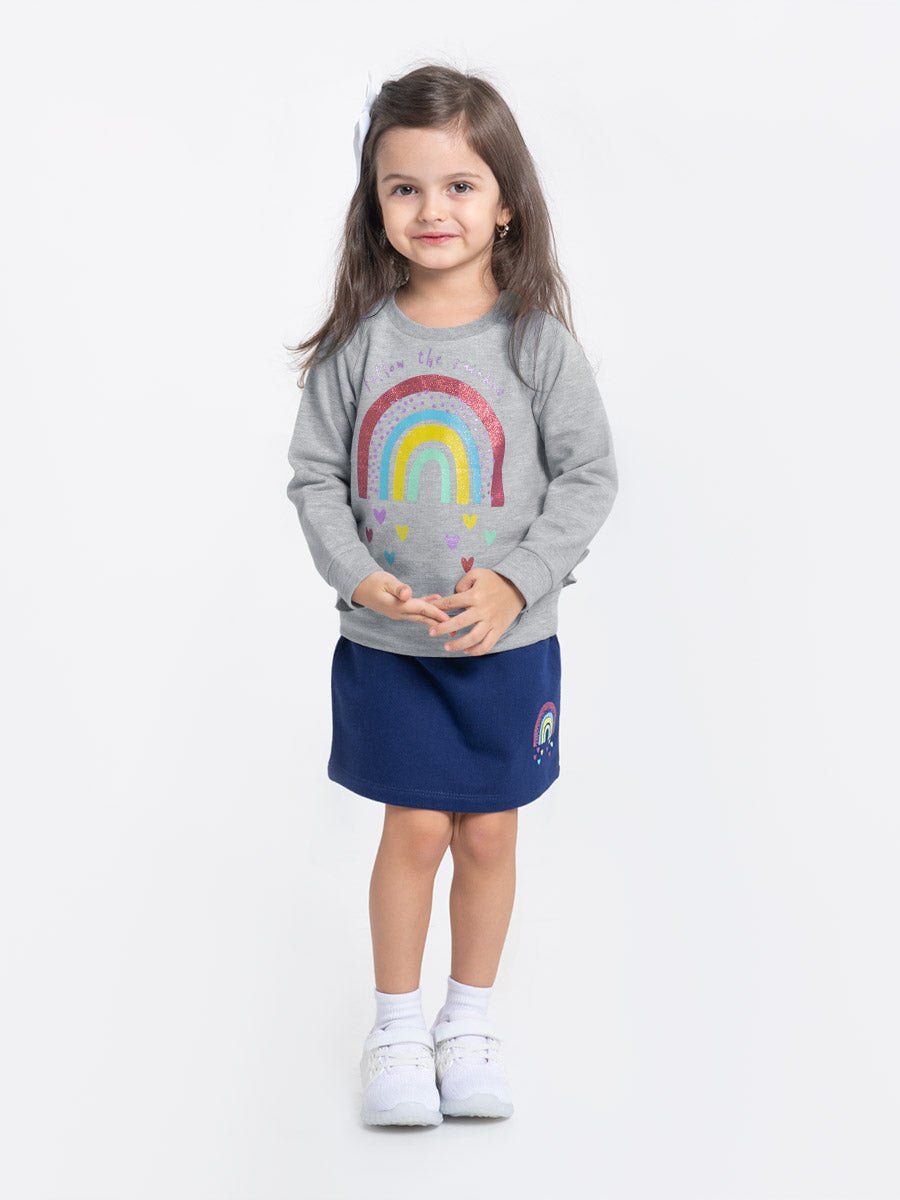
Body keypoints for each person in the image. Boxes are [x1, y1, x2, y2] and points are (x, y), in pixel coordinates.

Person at [285, 63, 619, 1127]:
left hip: (507, 649)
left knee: (486, 836)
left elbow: (588, 477)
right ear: (375, 207)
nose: (434, 209)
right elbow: (314, 478)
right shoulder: (358, 347)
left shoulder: (537, 344)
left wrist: (518, 583)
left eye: (460, 185)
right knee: (417, 830)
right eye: (405, 188)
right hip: (392, 648)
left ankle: (466, 1023)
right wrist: (361, 576)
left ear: (505, 201)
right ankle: (395, 1030)